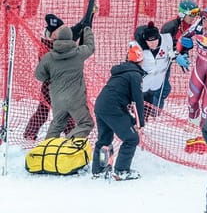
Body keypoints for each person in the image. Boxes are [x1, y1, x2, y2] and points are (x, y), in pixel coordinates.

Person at [23, 13, 92, 140]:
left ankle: (31, 134)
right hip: (52, 86)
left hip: (58, 86)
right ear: (53, 34)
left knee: (51, 112)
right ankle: (68, 137)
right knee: (49, 112)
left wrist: (89, 15)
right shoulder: (48, 46)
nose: (63, 31)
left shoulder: (57, 40)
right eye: (60, 29)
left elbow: (76, 30)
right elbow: (74, 35)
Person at [92, 42, 145, 180]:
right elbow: (138, 101)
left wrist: (132, 120)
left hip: (101, 106)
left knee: (104, 139)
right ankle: (121, 170)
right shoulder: (135, 75)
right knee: (132, 138)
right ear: (141, 60)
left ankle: (98, 170)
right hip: (112, 109)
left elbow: (120, 99)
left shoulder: (121, 72)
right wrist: (140, 124)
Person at [134, 21, 190, 112]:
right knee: (139, 106)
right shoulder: (136, 47)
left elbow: (171, 52)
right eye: (149, 42)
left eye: (155, 41)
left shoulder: (166, 40)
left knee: (163, 90)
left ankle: (154, 113)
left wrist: (178, 56)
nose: (152, 44)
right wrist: (138, 72)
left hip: (157, 81)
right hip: (142, 83)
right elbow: (130, 63)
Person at [159, 0, 200, 107]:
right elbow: (163, 48)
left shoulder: (189, 26)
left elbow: (184, 43)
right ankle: (151, 111)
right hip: (159, 59)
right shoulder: (170, 27)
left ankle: (154, 111)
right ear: (183, 14)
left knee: (164, 88)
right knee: (161, 87)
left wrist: (185, 52)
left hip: (168, 59)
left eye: (195, 15)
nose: (193, 18)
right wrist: (177, 57)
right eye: (191, 15)